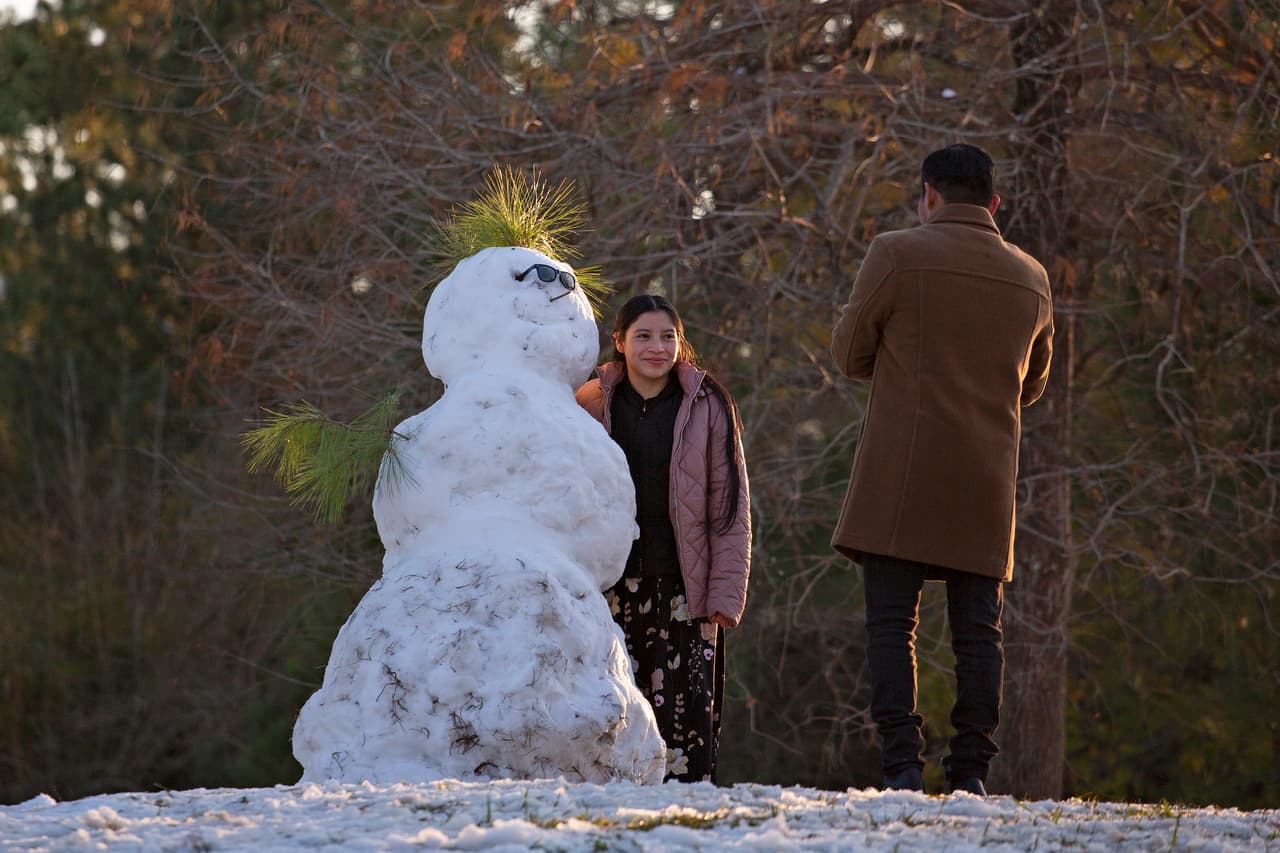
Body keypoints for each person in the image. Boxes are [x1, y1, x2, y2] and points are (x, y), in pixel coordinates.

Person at [829, 143, 1054, 796]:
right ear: (994, 202)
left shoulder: (897, 253)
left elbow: (849, 353)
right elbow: (1031, 385)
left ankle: (902, 763)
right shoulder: (1032, 278)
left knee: (892, 623)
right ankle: (971, 772)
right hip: (986, 477)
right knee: (979, 632)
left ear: (928, 193)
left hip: (902, 473)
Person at [576, 294, 752, 783]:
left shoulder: (709, 402)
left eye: (668, 336)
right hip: (609, 585)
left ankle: (685, 808)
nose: (658, 347)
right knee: (612, 704)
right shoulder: (589, 401)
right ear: (619, 342)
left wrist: (724, 594)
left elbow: (731, 508)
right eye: (644, 336)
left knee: (685, 712)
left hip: (685, 587)